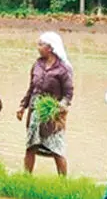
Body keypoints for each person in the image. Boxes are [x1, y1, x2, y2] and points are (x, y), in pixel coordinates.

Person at [17, 31, 74, 176]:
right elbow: (31, 87)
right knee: (30, 146)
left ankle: (63, 183)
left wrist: (61, 106)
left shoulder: (63, 69)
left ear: (51, 48)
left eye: (41, 44)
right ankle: (26, 177)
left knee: (57, 149)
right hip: (35, 110)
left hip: (53, 113)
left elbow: (68, 94)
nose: (38, 47)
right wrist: (22, 106)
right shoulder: (37, 64)